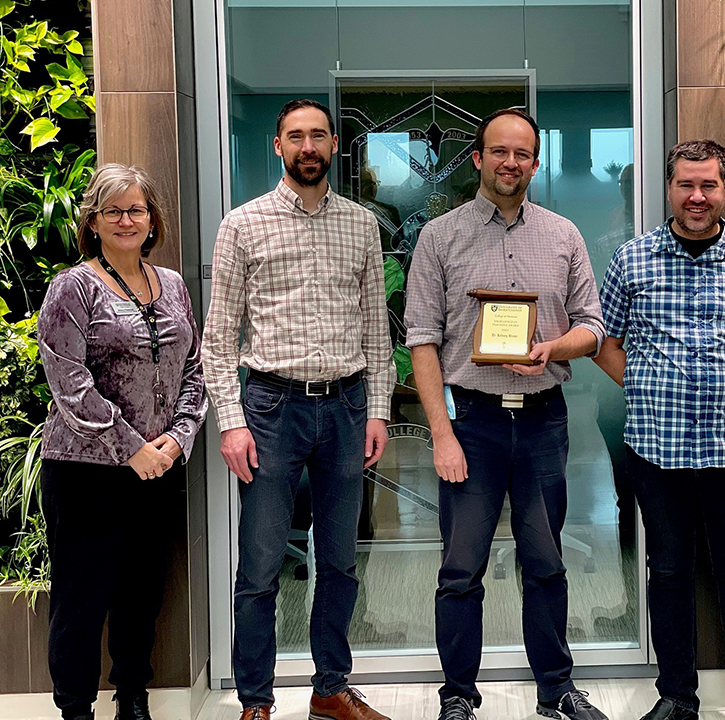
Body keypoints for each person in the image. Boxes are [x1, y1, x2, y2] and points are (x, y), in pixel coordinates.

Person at [405, 108, 608, 720]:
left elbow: (592, 328)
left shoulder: (563, 235)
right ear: (478, 158)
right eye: (499, 151)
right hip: (473, 422)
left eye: (522, 153)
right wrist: (442, 434)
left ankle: (556, 692)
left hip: (544, 421)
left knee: (545, 562)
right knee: (460, 568)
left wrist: (553, 347)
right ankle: (459, 698)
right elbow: (421, 340)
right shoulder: (440, 238)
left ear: (535, 163)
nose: (510, 163)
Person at [202, 99, 394, 720]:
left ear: (334, 145)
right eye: (295, 136)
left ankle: (330, 689)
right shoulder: (243, 223)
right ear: (278, 147)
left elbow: (375, 330)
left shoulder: (363, 225)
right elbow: (217, 337)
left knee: (339, 560)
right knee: (259, 564)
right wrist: (231, 423)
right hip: (269, 408)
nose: (307, 146)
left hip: (344, 407)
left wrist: (378, 410)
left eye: (318, 136)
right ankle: (255, 701)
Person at [594, 139, 725, 720]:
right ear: (669, 188)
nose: (697, 196)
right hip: (656, 452)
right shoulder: (633, 259)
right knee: (670, 573)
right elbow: (604, 341)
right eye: (686, 184)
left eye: (708, 185)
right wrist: (647, 385)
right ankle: (677, 697)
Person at [38, 164, 207, 720]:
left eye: (136, 209)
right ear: (94, 220)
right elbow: (68, 381)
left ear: (153, 219)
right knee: (82, 597)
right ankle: (75, 709)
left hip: (159, 466)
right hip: (88, 469)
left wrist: (176, 441)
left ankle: (132, 695)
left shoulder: (174, 284)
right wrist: (133, 447)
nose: (126, 220)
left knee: (141, 590)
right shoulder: (72, 287)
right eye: (113, 210)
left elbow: (196, 370)